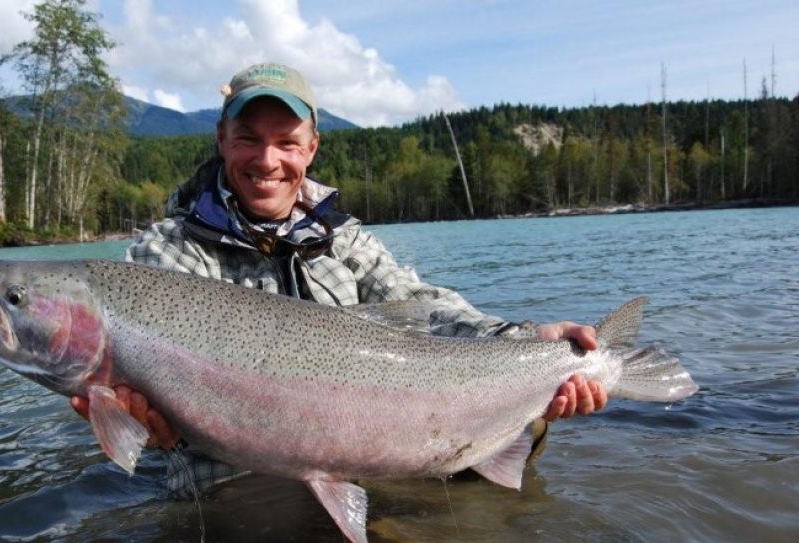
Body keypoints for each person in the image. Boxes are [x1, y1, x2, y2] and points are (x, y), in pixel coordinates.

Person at [71, 62, 607, 495]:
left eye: (287, 141)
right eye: (248, 139)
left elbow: (427, 307)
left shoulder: (343, 239)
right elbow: (143, 392)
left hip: (356, 459)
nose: (267, 159)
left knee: (525, 430)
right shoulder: (168, 253)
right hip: (237, 482)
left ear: (311, 148)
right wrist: (137, 417)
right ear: (221, 140)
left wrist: (527, 339)